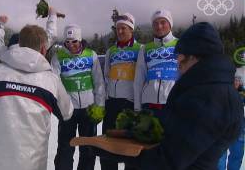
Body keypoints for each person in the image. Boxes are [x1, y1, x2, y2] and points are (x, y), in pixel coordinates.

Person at [95, 22, 244, 170]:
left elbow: (169, 160)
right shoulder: (215, 89)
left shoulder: (207, 98)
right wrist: (142, 133)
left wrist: (114, 152)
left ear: (194, 56)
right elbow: (183, 134)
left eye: (180, 55)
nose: (177, 61)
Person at [0, 14, 74, 170]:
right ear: (43, 48)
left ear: (19, 44)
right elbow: (67, 112)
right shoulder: (51, 81)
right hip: (32, 165)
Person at [51, 24, 105, 170]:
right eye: (67, 42)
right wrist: (59, 106)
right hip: (68, 110)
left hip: (88, 109)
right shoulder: (58, 57)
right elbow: (53, 82)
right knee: (65, 147)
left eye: (74, 41)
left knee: (88, 148)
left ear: (80, 40)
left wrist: (99, 105)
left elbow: (99, 82)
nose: (71, 45)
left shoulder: (91, 55)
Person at [102, 12, 143, 170]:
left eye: (123, 28)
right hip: (112, 103)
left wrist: (138, 106)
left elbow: (141, 78)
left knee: (129, 148)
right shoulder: (111, 51)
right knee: (109, 145)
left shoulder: (140, 49)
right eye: (117, 28)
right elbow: (106, 76)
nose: (119, 31)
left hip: (129, 105)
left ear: (131, 29)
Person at [134, 9, 178, 124]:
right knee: (148, 140)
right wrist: (137, 107)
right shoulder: (145, 49)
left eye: (163, 22)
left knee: (172, 140)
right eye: (155, 23)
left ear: (170, 24)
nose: (159, 26)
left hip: (173, 104)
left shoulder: (180, 45)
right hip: (149, 105)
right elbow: (139, 79)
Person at [217, 73, 245, 170]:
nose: (236, 82)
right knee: (220, 157)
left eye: (238, 80)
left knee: (237, 155)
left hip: (239, 129)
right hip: (222, 128)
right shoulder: (221, 91)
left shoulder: (243, 93)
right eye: (234, 79)